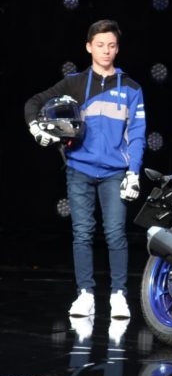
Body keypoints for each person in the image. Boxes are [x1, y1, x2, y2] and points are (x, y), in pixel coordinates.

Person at [24, 19, 146, 319]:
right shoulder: (75, 83)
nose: (106, 50)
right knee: (82, 234)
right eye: (100, 45)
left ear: (117, 49)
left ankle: (119, 295)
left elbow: (137, 134)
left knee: (115, 233)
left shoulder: (131, 88)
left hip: (115, 172)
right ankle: (85, 295)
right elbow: (34, 102)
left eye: (111, 45)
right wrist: (35, 128)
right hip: (79, 168)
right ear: (89, 47)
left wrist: (133, 172)